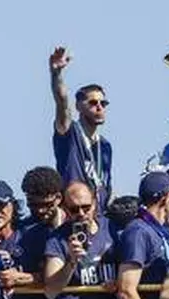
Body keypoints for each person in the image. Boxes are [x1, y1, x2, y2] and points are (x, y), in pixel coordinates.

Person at [43, 182, 118, 299]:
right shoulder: (57, 239)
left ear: (96, 202)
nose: (81, 214)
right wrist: (71, 261)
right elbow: (51, 291)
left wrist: (118, 282)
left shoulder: (112, 229)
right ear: (65, 209)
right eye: (74, 210)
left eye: (86, 207)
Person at [49, 46, 112, 211]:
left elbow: (105, 187)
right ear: (78, 106)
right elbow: (62, 102)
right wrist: (56, 74)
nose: (99, 107)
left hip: (98, 220)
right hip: (73, 214)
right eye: (92, 103)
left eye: (103, 103)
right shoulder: (70, 133)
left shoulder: (105, 146)